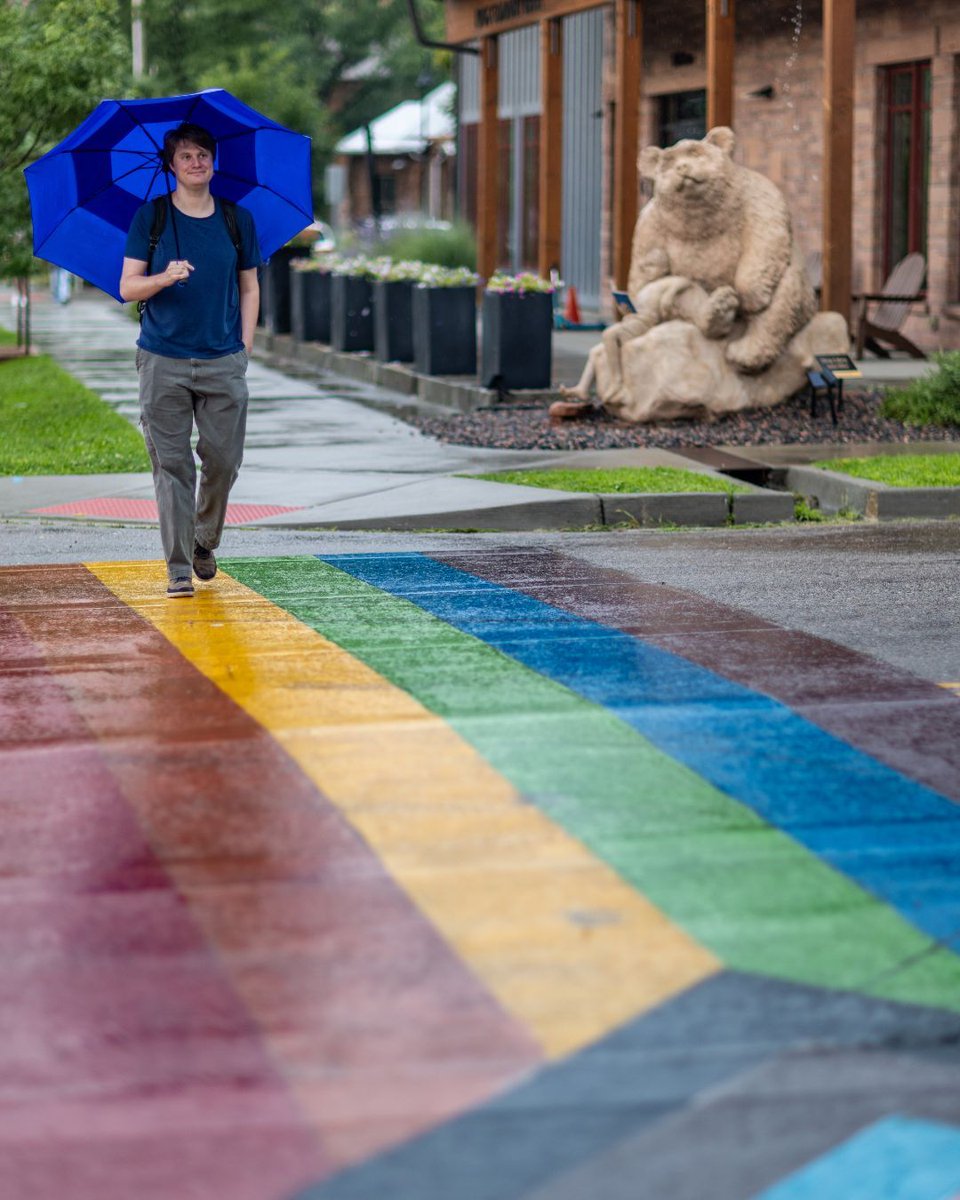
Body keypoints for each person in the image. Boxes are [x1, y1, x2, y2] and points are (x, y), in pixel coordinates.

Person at [119, 122, 261, 598]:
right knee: (173, 467)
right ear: (171, 165)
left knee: (224, 461)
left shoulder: (236, 219)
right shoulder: (152, 218)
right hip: (162, 360)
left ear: (213, 162)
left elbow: (249, 287)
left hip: (223, 360)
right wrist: (163, 278)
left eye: (203, 154)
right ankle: (179, 567)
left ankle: (204, 539)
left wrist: (244, 347)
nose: (196, 162)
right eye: (185, 156)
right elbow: (128, 287)